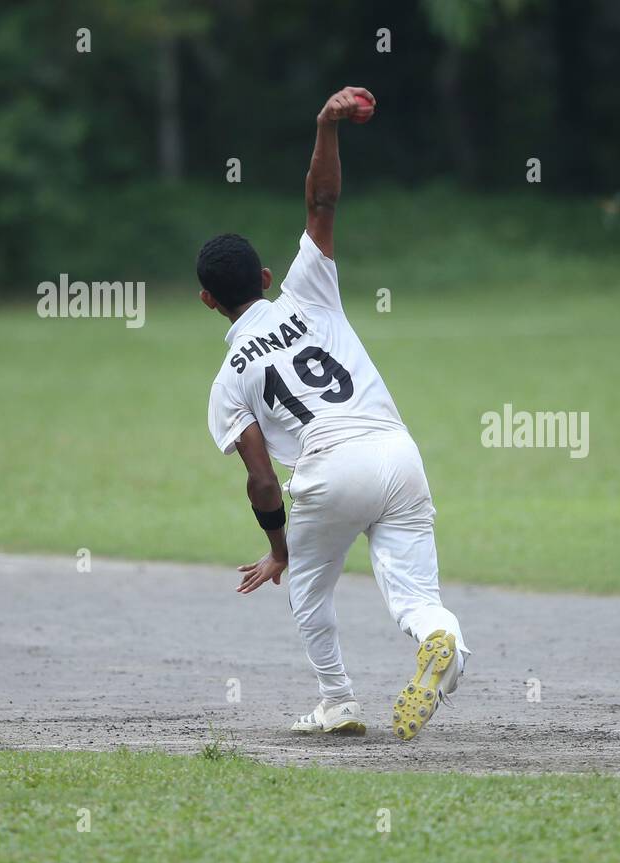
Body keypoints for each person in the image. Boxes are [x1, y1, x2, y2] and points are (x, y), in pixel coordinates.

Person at [198, 87, 470, 741]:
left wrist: (278, 550)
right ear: (265, 277)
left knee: (308, 593)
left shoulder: (227, 381)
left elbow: (262, 481)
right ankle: (439, 642)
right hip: (397, 452)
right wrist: (326, 125)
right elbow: (322, 200)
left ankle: (339, 702)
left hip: (329, 467)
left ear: (208, 301)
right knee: (416, 599)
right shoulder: (308, 288)